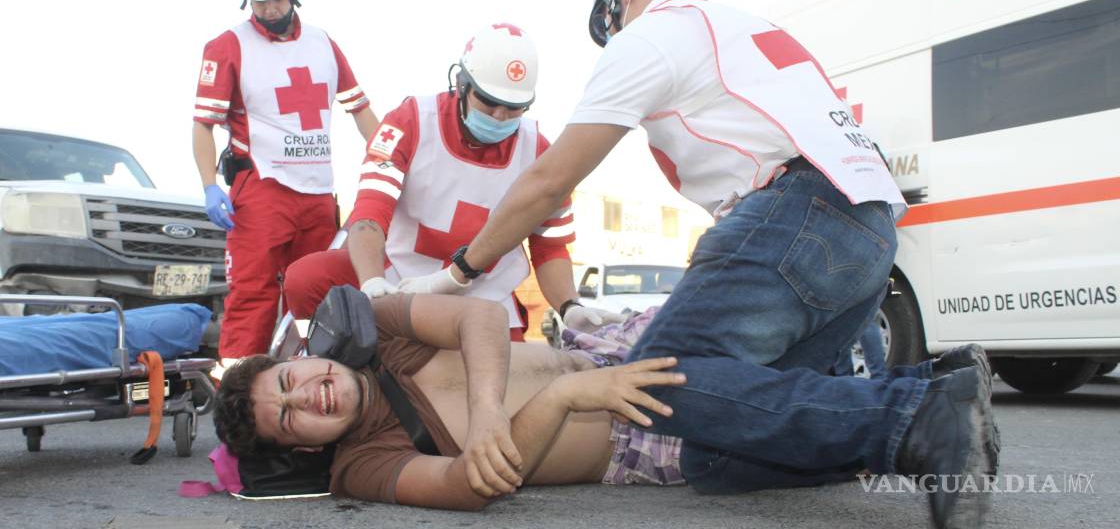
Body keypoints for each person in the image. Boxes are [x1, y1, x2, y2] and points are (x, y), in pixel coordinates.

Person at [403, 0, 999, 528]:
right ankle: (945, 388)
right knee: (714, 456)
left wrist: (460, 272)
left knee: (663, 384)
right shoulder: (741, 25)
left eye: (609, 17)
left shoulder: (648, 38)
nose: (612, 29)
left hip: (800, 210)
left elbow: (549, 182)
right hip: (868, 224)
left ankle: (918, 416)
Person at [213, 293, 991, 512]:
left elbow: (479, 313)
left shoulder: (378, 334)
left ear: (302, 357)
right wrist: (566, 401)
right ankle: (932, 396)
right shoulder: (362, 465)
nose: (307, 396)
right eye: (293, 417)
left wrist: (488, 414)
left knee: (761, 378)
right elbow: (470, 485)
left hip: (611, 347)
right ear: (309, 446)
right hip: (634, 448)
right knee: (784, 449)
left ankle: (924, 403)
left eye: (290, 380)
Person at [281, 24, 618, 341]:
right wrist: (372, 282)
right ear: (461, 83)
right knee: (305, 279)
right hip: (398, 278)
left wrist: (569, 307)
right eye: (488, 102)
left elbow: (550, 246)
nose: (499, 117)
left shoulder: (539, 151)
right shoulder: (410, 121)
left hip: (484, 295)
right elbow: (369, 213)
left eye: (513, 109)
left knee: (509, 382)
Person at [191, 0, 380, 371]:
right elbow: (203, 124)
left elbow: (361, 111)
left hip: (318, 194)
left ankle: (314, 388)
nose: (268, 10)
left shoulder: (322, 44)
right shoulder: (228, 46)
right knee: (253, 295)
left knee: (317, 297)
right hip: (262, 190)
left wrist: (390, 162)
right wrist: (207, 186)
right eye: (258, 2)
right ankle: (238, 403)